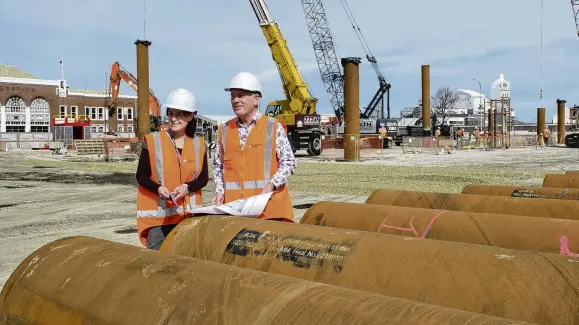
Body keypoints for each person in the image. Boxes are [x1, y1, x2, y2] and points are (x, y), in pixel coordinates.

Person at [211, 72, 296, 222]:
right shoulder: (224, 130)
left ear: (256, 99)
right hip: (236, 211)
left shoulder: (273, 127)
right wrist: (219, 191)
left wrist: (272, 185)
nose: (235, 100)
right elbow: (218, 167)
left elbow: (289, 162)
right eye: (233, 96)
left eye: (241, 95)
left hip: (269, 211)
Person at [135, 88, 209, 250]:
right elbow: (141, 176)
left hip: (188, 217)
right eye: (171, 114)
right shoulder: (153, 141)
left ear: (190, 116)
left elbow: (203, 178)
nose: (173, 119)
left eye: (179, 114)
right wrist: (158, 188)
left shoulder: (199, 145)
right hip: (159, 220)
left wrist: (187, 187)